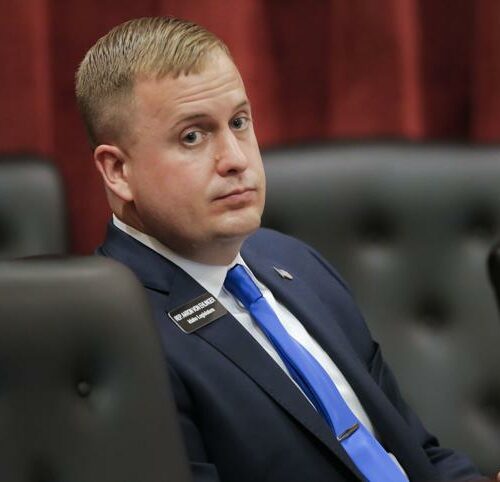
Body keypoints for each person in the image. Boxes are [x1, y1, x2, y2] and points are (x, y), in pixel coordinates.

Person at [75, 17, 488, 482]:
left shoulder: (296, 263)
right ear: (117, 171)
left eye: (239, 122)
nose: (235, 159)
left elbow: (418, 457)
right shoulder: (115, 333)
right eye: (193, 136)